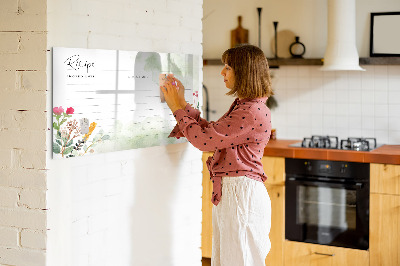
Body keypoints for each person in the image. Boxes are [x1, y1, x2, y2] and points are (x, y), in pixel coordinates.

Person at [161, 44, 273, 266]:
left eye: (228, 67)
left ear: (244, 72)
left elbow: (204, 141)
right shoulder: (246, 106)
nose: (222, 72)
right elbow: (212, 133)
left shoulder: (250, 111)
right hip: (236, 193)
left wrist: (176, 108)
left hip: (241, 195)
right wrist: (182, 104)